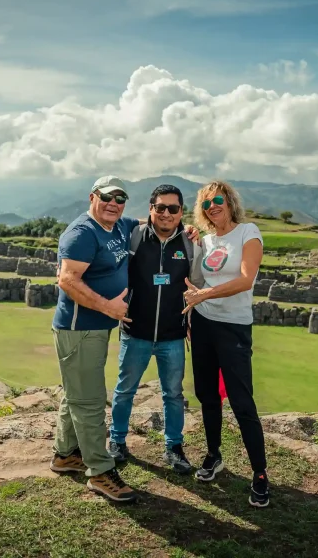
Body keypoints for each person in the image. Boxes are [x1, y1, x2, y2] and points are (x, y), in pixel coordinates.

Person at [49, 175, 139, 503]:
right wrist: (108, 306)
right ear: (92, 197)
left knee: (76, 393)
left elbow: (144, 221)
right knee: (89, 400)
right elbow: (67, 280)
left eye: (121, 198)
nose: (115, 203)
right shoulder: (81, 233)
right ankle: (100, 471)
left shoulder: (117, 225)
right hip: (79, 329)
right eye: (108, 197)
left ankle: (65, 454)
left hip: (95, 329)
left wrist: (183, 228)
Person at [182, 180, 270, 508]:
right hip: (203, 323)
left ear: (230, 201)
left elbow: (246, 279)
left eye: (217, 200)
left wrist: (204, 294)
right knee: (207, 395)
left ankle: (259, 473)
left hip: (233, 327)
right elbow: (196, 281)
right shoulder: (205, 240)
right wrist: (193, 312)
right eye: (205, 204)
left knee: (241, 401)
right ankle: (214, 455)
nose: (212, 207)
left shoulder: (248, 232)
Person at [108, 184, 204, 474]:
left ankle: (173, 447)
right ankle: (117, 441)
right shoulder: (134, 236)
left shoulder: (191, 245)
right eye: (160, 207)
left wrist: (192, 321)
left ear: (181, 213)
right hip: (135, 331)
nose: (166, 213)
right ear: (150, 209)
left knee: (173, 394)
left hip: (172, 336)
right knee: (125, 390)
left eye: (173, 209)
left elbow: (196, 287)